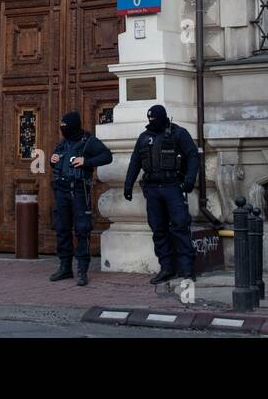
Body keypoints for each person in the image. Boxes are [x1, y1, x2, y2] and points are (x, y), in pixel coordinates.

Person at [124, 104, 200, 284]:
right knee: (158, 229)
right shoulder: (144, 138)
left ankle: (187, 268)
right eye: (149, 119)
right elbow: (135, 162)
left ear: (163, 117)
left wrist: (189, 180)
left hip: (172, 186)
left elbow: (193, 156)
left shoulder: (178, 133)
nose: (152, 122)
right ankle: (167, 268)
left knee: (180, 226)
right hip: (152, 189)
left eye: (155, 118)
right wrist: (127, 185)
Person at [48, 111, 113, 286]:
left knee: (82, 230)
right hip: (61, 190)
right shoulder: (63, 144)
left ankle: (82, 270)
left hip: (79, 190)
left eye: (66, 128)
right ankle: (65, 267)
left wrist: (86, 161)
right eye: (62, 128)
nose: (64, 131)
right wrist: (52, 160)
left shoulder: (89, 141)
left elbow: (107, 156)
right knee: (62, 229)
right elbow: (56, 162)